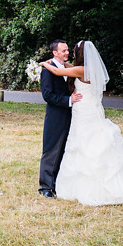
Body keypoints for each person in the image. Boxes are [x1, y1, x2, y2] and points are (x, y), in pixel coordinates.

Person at [40, 40, 123, 206]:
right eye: (65, 50)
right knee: (76, 145)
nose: (69, 54)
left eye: (71, 51)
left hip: (83, 111)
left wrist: (44, 64)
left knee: (84, 144)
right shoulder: (86, 69)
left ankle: (84, 184)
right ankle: (48, 185)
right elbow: (60, 71)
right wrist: (53, 65)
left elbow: (58, 71)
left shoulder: (80, 70)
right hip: (83, 111)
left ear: (79, 54)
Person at [38, 40, 82, 198]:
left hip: (72, 115)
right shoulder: (48, 71)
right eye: (63, 51)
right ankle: (45, 187)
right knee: (51, 150)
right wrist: (69, 100)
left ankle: (58, 183)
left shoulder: (68, 68)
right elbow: (47, 96)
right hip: (56, 116)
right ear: (55, 53)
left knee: (65, 150)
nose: (67, 53)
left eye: (68, 50)